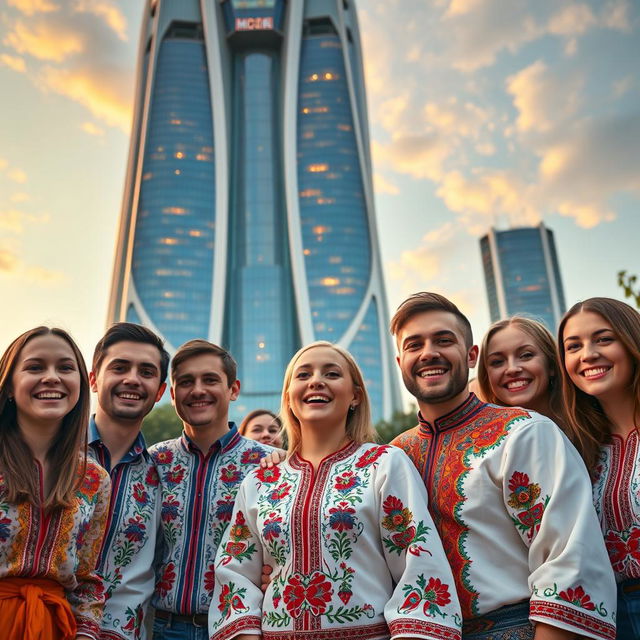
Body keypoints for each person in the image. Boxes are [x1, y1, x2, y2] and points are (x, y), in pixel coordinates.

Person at [389, 292, 616, 640]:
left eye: (443, 340)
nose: (429, 352)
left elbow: (569, 558)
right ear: (400, 360)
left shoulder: (523, 432)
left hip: (522, 627)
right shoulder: (393, 456)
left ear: (470, 355)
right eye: (414, 344)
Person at [209, 341, 463, 640]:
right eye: (303, 375)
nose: (316, 380)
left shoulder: (383, 464)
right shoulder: (261, 481)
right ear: (289, 397)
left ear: (355, 395)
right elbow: (235, 574)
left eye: (331, 374)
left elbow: (419, 564)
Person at [149, 340, 273, 640]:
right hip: (161, 628)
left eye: (210, 380)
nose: (198, 390)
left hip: (238, 629)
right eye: (186, 382)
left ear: (233, 389)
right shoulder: (153, 461)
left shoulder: (267, 465)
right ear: (172, 392)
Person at [0, 326, 110, 640]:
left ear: (80, 384)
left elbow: (89, 581)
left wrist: (86, 634)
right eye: (35, 367)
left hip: (55, 627)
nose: (52, 377)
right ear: (9, 384)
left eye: (65, 367)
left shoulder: (94, 479)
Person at [558, 297, 640, 639]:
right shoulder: (575, 449)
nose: (588, 354)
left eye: (603, 339)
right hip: (609, 617)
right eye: (573, 346)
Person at [88, 323, 169, 639]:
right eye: (120, 367)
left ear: (160, 391)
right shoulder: (49, 454)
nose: (132, 379)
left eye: (147, 372)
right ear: (95, 379)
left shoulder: (161, 476)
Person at [477, 316, 566, 427]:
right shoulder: (482, 440)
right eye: (497, 362)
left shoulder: (590, 422)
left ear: (551, 364)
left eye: (526, 355)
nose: (512, 369)